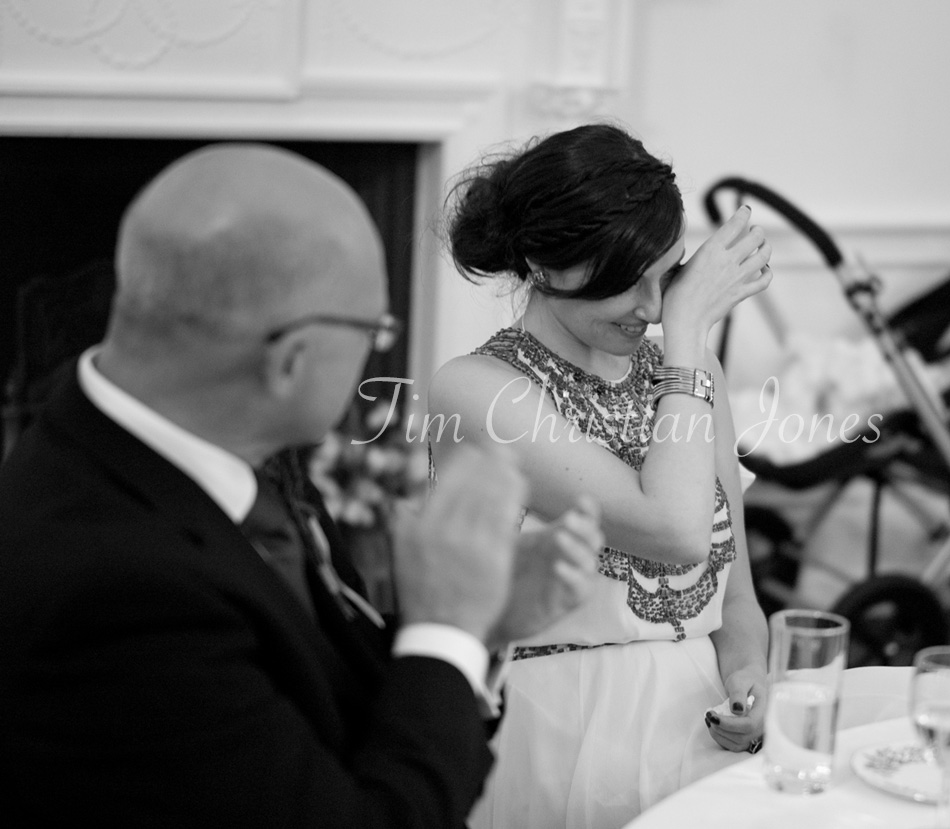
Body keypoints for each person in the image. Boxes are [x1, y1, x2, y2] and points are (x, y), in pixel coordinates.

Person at [0, 143, 603, 828]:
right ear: (291, 361)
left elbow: (328, 697)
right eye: (375, 331)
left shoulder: (228, 453)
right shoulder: (113, 594)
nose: (376, 352)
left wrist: (479, 624)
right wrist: (448, 621)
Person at [428, 123, 773, 829]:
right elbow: (674, 531)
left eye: (669, 276)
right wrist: (688, 335)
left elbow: (736, 596)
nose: (654, 308)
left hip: (699, 732)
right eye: (625, 280)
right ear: (542, 263)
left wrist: (748, 681)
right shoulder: (477, 389)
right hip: (562, 739)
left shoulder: (692, 374)